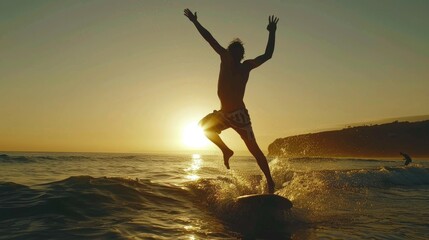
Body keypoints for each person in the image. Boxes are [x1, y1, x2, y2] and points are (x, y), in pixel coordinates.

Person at [184, 8, 278, 193]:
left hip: (240, 116)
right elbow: (209, 38)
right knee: (203, 127)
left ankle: (270, 182)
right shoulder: (225, 58)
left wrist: (272, 33)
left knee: (255, 150)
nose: (235, 55)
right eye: (232, 51)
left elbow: (267, 55)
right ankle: (226, 151)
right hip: (224, 114)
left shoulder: (246, 67)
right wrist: (195, 22)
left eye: (238, 53)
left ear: (242, 55)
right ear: (229, 52)